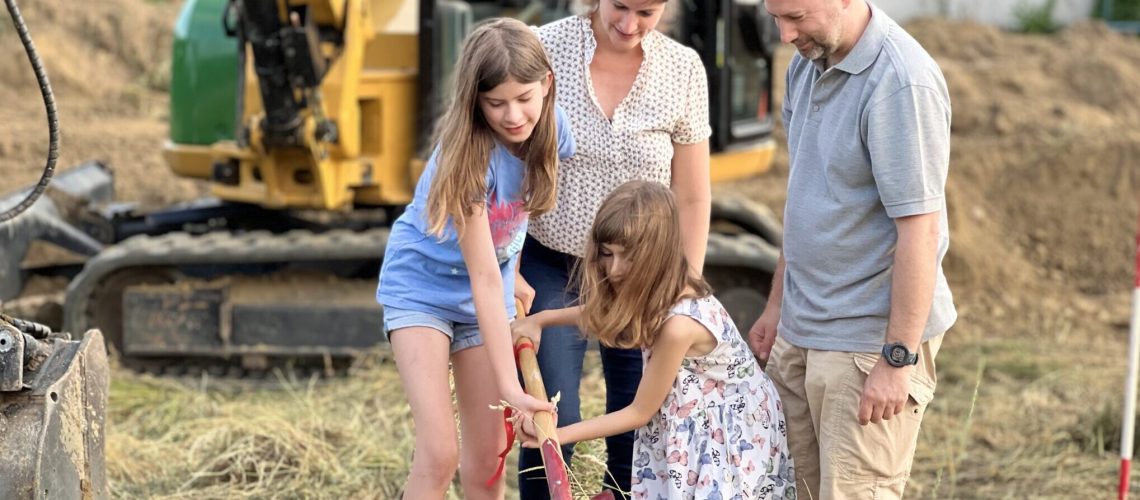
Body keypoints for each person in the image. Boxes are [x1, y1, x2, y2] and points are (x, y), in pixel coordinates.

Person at [747, 0, 956, 498]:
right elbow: (806, 198)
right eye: (775, 17)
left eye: (796, 17)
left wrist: (897, 358)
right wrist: (777, 308)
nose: (783, 34)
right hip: (801, 329)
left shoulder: (901, 82)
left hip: (866, 344)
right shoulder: (806, 64)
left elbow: (920, 232)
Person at [518, 1, 713, 495]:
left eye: (646, 11)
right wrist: (510, 267)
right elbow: (511, 160)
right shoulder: (544, 48)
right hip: (552, 260)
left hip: (642, 274)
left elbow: (690, 194)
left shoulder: (683, 68)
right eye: (619, 7)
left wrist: (684, 284)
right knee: (552, 407)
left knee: (636, 413)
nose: (629, 24)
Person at [375, 18, 574, 499]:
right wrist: (510, 384)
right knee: (440, 453)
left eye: (524, 98)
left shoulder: (553, 133)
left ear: (546, 84)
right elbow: (484, 276)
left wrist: (518, 268)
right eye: (495, 103)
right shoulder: (466, 159)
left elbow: (517, 214)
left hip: (488, 293)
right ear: (474, 100)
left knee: (487, 464)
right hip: (423, 290)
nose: (513, 115)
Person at [514, 181, 795, 499]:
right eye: (607, 254)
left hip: (725, 431)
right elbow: (606, 312)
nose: (615, 269)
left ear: (657, 254)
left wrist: (556, 435)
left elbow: (638, 413)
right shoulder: (654, 289)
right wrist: (541, 319)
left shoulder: (680, 326)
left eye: (628, 257)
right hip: (691, 418)